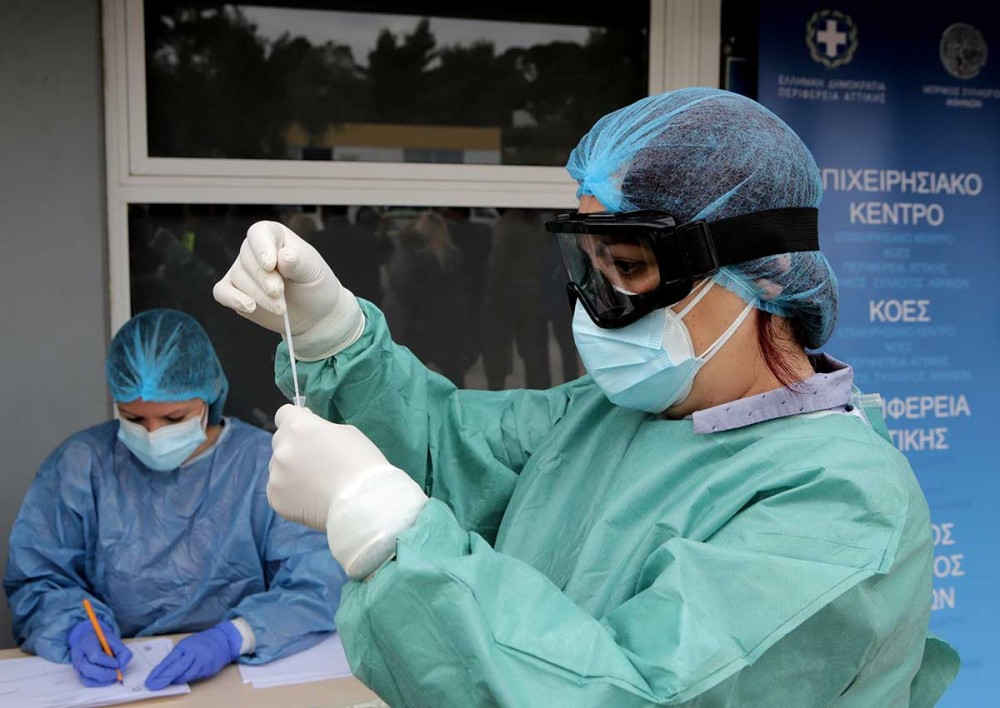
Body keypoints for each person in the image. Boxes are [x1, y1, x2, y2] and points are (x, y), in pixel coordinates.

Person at [212, 88, 959, 706]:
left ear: (765, 274)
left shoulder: (841, 507)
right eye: (593, 267)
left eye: (629, 267)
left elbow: (633, 692)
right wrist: (336, 336)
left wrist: (383, 527)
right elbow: (447, 452)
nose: (598, 309)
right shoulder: (617, 414)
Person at [4, 309, 346, 690]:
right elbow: (38, 579)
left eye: (173, 418)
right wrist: (76, 629)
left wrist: (236, 635)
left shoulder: (264, 465)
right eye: (134, 419)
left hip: (240, 676)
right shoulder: (81, 465)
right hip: (119, 678)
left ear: (209, 395)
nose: (153, 434)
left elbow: (317, 584)